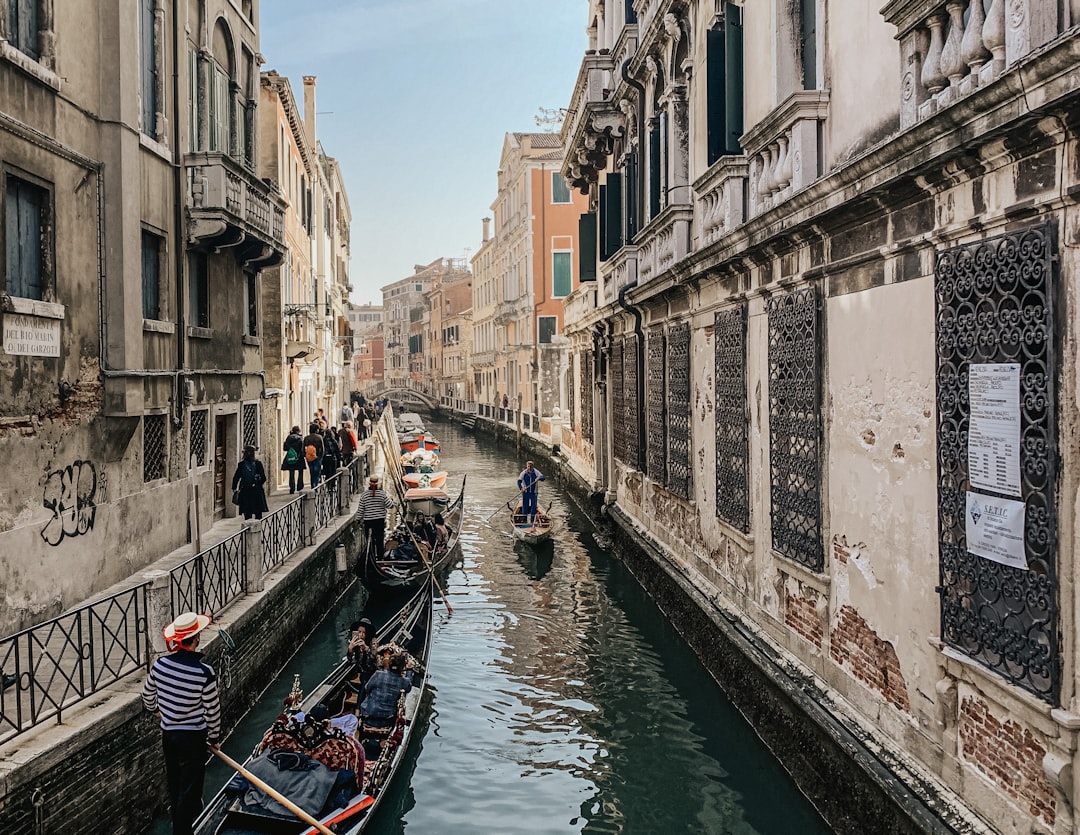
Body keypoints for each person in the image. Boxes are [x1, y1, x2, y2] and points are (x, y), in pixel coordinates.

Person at [142, 612, 221, 835]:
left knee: (175, 783)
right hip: (193, 738)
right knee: (188, 789)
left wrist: (159, 711)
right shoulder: (204, 673)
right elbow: (212, 711)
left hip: (169, 736)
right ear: (196, 638)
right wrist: (214, 738)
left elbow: (147, 697)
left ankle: (189, 816)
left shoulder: (160, 665)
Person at [360, 647, 412, 729]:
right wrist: (409, 670)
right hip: (388, 720)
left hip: (368, 716)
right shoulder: (403, 681)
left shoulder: (378, 674)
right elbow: (409, 688)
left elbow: (367, 688)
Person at [356, 476, 395, 562]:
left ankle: (372, 558)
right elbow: (390, 505)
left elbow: (361, 509)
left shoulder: (364, 495)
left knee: (370, 540)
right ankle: (380, 558)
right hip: (379, 521)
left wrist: (358, 519)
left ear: (369, 483)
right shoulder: (382, 494)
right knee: (379, 540)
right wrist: (393, 502)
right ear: (377, 484)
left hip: (368, 522)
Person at [231, 445, 268, 520]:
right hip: (257, 491)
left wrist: (234, 488)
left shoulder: (241, 465)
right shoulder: (258, 464)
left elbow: (236, 477)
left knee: (247, 513)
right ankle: (258, 529)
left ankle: (248, 530)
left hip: (245, 491)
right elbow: (263, 478)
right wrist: (257, 484)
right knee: (258, 513)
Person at [281, 426, 306, 493]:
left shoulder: (288, 438)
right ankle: (299, 486)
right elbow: (302, 448)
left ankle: (292, 488)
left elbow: (285, 448)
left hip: (291, 456)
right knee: (300, 472)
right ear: (298, 431)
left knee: (291, 473)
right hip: (299, 457)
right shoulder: (300, 438)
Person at [303, 423, 325, 488]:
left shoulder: (306, 438)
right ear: (316, 430)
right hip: (317, 457)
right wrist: (321, 457)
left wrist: (305, 455)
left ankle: (312, 484)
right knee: (317, 472)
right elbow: (322, 448)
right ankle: (315, 485)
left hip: (309, 457)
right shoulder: (319, 437)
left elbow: (303, 448)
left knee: (311, 471)